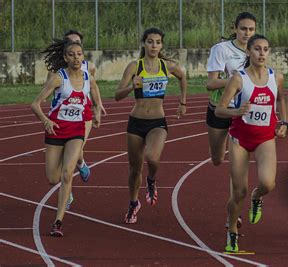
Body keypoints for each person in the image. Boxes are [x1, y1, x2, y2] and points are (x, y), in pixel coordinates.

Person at [215, 34, 288, 252]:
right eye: (257, 49)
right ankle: (232, 232)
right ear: (249, 52)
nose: (262, 53)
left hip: (265, 138)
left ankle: (257, 197)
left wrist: (283, 121)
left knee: (268, 184)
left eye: (266, 49)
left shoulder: (277, 77)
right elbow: (220, 109)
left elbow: (282, 98)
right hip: (240, 139)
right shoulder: (238, 78)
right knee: (238, 192)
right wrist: (236, 111)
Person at [115, 27, 187, 224]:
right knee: (134, 168)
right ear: (144, 44)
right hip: (136, 122)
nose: (154, 45)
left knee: (152, 158)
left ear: (161, 45)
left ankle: (152, 180)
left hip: (157, 122)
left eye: (157, 42)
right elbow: (117, 95)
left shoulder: (167, 66)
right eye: (150, 42)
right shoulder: (134, 67)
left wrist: (183, 102)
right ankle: (133, 203)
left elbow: (183, 76)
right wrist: (133, 85)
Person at [32, 39, 102, 237]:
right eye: (71, 54)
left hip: (76, 131)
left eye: (79, 54)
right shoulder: (57, 78)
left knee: (66, 174)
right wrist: (45, 120)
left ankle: (58, 222)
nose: (76, 58)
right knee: (52, 178)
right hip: (55, 131)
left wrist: (97, 109)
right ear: (65, 58)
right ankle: (69, 162)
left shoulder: (88, 78)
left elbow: (94, 92)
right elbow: (35, 104)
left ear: (83, 56)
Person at [206, 11, 257, 229]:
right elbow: (210, 83)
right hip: (219, 109)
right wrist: (236, 80)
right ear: (235, 28)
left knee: (236, 168)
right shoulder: (221, 49)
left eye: (251, 29)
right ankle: (224, 149)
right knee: (217, 159)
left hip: (243, 113)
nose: (247, 33)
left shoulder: (257, 50)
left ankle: (233, 212)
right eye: (243, 28)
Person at [46, 30, 107, 211]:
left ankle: (76, 169)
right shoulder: (57, 72)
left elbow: (94, 86)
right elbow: (50, 91)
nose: (76, 54)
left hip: (83, 113)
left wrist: (98, 107)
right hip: (63, 117)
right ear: (66, 51)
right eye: (71, 45)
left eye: (78, 44)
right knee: (65, 161)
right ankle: (70, 184)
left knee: (77, 150)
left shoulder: (90, 67)